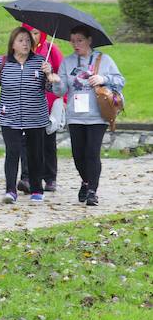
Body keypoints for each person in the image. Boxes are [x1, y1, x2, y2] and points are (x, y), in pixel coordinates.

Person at [45, 25, 124, 206]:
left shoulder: (104, 60)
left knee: (92, 153)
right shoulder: (67, 62)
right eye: (72, 41)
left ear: (89, 40)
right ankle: (86, 181)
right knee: (78, 154)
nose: (75, 44)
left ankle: (92, 192)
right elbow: (60, 91)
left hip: (97, 115)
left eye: (79, 40)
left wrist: (103, 79)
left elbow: (120, 81)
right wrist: (54, 79)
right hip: (75, 115)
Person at [0, 26, 50, 204]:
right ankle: (10, 190)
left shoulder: (40, 62)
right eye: (21, 41)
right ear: (13, 44)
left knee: (35, 154)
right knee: (12, 152)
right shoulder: (2, 63)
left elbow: (51, 89)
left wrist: (49, 75)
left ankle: (37, 189)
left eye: (28, 41)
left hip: (35, 117)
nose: (25, 44)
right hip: (10, 117)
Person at [17, 24, 64, 194]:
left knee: (48, 142)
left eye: (36, 33)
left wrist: (50, 75)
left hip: (49, 104)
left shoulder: (52, 50)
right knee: (26, 142)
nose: (32, 36)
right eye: (28, 33)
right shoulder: (21, 51)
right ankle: (26, 177)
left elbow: (62, 75)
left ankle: (50, 177)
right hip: (28, 104)